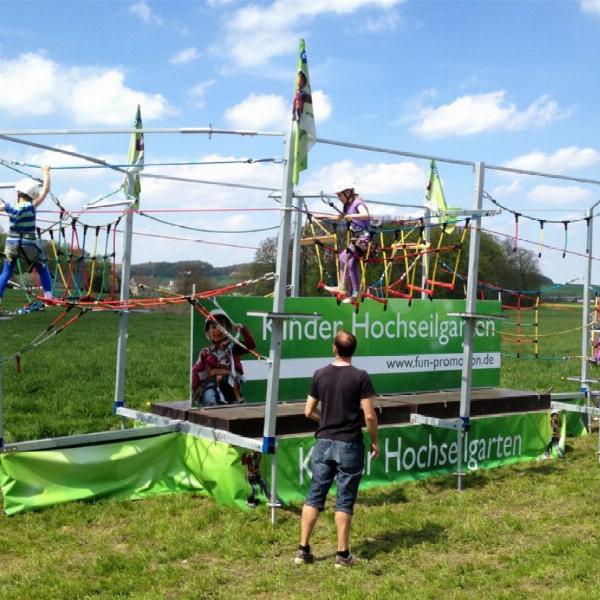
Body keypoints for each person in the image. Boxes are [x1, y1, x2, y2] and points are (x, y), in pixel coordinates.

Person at [295, 330, 379, 568]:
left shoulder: (319, 374)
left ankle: (303, 550)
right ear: (353, 350)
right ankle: (342, 555)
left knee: (315, 494)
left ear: (334, 348)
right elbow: (370, 416)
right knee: (344, 500)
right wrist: (375, 441)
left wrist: (326, 420)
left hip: (324, 442)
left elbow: (308, 411)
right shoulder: (361, 377)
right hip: (350, 444)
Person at [0, 167, 53, 310]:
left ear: (18, 193)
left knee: (6, 272)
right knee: (42, 268)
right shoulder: (32, 206)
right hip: (29, 243)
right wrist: (46, 171)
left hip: (11, 243)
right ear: (32, 194)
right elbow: (46, 190)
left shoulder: (11, 206)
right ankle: (48, 297)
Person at [191, 309, 256, 407]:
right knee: (209, 400)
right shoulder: (205, 352)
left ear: (228, 330)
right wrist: (196, 388)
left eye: (221, 327)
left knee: (232, 404)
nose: (217, 330)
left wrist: (243, 330)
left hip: (229, 385)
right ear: (208, 333)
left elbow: (250, 346)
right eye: (213, 327)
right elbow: (196, 371)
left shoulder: (233, 347)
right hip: (211, 384)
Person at [323, 185, 374, 304]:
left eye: (340, 195)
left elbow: (365, 215)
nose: (339, 198)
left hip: (364, 238)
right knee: (350, 264)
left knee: (343, 258)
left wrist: (353, 216)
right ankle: (351, 292)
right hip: (357, 239)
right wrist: (321, 216)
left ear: (347, 192)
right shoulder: (347, 205)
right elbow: (338, 217)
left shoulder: (358, 202)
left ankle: (345, 289)